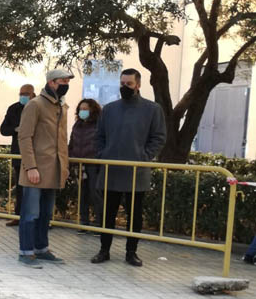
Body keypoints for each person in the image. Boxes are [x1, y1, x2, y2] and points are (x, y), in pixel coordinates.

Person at [91, 68, 166, 267]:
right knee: (107, 213)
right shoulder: (109, 109)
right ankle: (104, 250)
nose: (125, 87)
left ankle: (131, 252)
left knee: (135, 215)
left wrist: (144, 156)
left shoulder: (152, 109)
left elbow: (158, 138)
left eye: (129, 84)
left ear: (138, 85)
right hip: (111, 169)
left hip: (137, 171)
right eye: (122, 84)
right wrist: (103, 154)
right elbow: (99, 136)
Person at [16, 69, 73, 268]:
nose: (66, 84)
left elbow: (62, 140)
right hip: (36, 170)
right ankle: (26, 251)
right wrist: (30, 166)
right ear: (51, 82)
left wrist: (64, 167)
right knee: (30, 213)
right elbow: (24, 137)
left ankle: (41, 248)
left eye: (67, 81)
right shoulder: (35, 105)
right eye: (62, 81)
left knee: (46, 213)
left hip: (53, 169)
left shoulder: (62, 106)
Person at [0, 84, 36, 226]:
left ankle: (36, 218)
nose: (23, 96)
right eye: (21, 93)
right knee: (20, 187)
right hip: (18, 154)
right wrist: (16, 129)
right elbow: (3, 129)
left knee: (35, 188)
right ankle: (18, 216)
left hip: (35, 154)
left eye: (26, 93)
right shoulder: (13, 108)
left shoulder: (38, 107)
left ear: (33, 94)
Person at [68, 98, 103, 231]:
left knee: (95, 194)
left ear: (92, 110)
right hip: (79, 164)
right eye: (80, 109)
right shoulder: (77, 125)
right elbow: (72, 143)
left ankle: (100, 224)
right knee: (82, 194)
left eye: (85, 109)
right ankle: (84, 222)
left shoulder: (99, 125)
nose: (82, 111)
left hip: (93, 164)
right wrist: (70, 157)